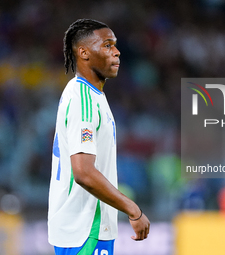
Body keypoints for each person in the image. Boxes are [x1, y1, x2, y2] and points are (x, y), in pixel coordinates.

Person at [48, 19, 150, 255]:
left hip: (87, 228)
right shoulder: (82, 98)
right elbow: (83, 172)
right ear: (83, 53)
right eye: (107, 45)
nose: (116, 51)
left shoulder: (92, 95)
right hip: (86, 228)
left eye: (115, 45)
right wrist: (133, 209)